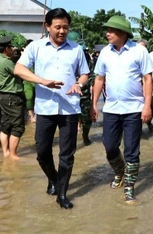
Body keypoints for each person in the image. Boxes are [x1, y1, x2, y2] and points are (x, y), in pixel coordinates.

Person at [14, 8, 90, 209]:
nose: (62, 31)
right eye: (57, 27)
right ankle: (54, 178)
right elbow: (19, 69)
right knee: (42, 152)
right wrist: (42, 81)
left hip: (70, 109)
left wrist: (79, 84)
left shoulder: (76, 49)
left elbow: (84, 74)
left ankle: (62, 194)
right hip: (45, 108)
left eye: (65, 27)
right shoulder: (36, 48)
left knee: (67, 154)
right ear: (47, 26)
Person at [91, 16, 153, 204]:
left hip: (133, 108)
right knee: (109, 146)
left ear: (123, 33)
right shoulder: (105, 53)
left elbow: (148, 79)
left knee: (131, 150)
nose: (107, 33)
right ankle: (119, 171)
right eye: (107, 30)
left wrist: (147, 105)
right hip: (111, 108)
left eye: (111, 30)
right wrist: (94, 104)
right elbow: (99, 79)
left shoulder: (139, 51)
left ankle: (129, 187)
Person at [0, 35, 25, 160]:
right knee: (17, 126)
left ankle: (5, 152)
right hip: (12, 96)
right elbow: (20, 72)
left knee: (5, 124)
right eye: (10, 47)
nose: (11, 49)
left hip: (3, 96)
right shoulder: (6, 62)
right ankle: (13, 155)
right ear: (5, 48)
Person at [67, 31, 93, 146]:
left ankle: (85, 136)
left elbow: (91, 74)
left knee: (87, 118)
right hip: (68, 93)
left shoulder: (86, 57)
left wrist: (91, 86)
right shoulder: (65, 57)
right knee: (69, 120)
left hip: (84, 92)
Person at [136, 39, 153, 133]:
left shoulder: (149, 58)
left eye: (143, 47)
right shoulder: (132, 58)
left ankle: (148, 122)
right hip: (136, 88)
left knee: (148, 106)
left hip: (147, 86)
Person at [22, 39, 36, 124]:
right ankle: (31, 116)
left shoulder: (38, 54)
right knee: (29, 97)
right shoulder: (24, 55)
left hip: (38, 80)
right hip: (27, 80)